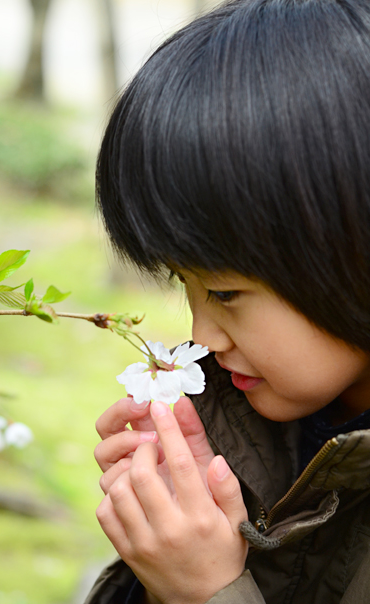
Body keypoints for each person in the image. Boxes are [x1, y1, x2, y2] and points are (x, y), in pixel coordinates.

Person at [84, 0, 370, 602]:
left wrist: (207, 591)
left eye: (223, 291)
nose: (201, 335)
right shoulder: (234, 424)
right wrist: (166, 549)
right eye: (181, 282)